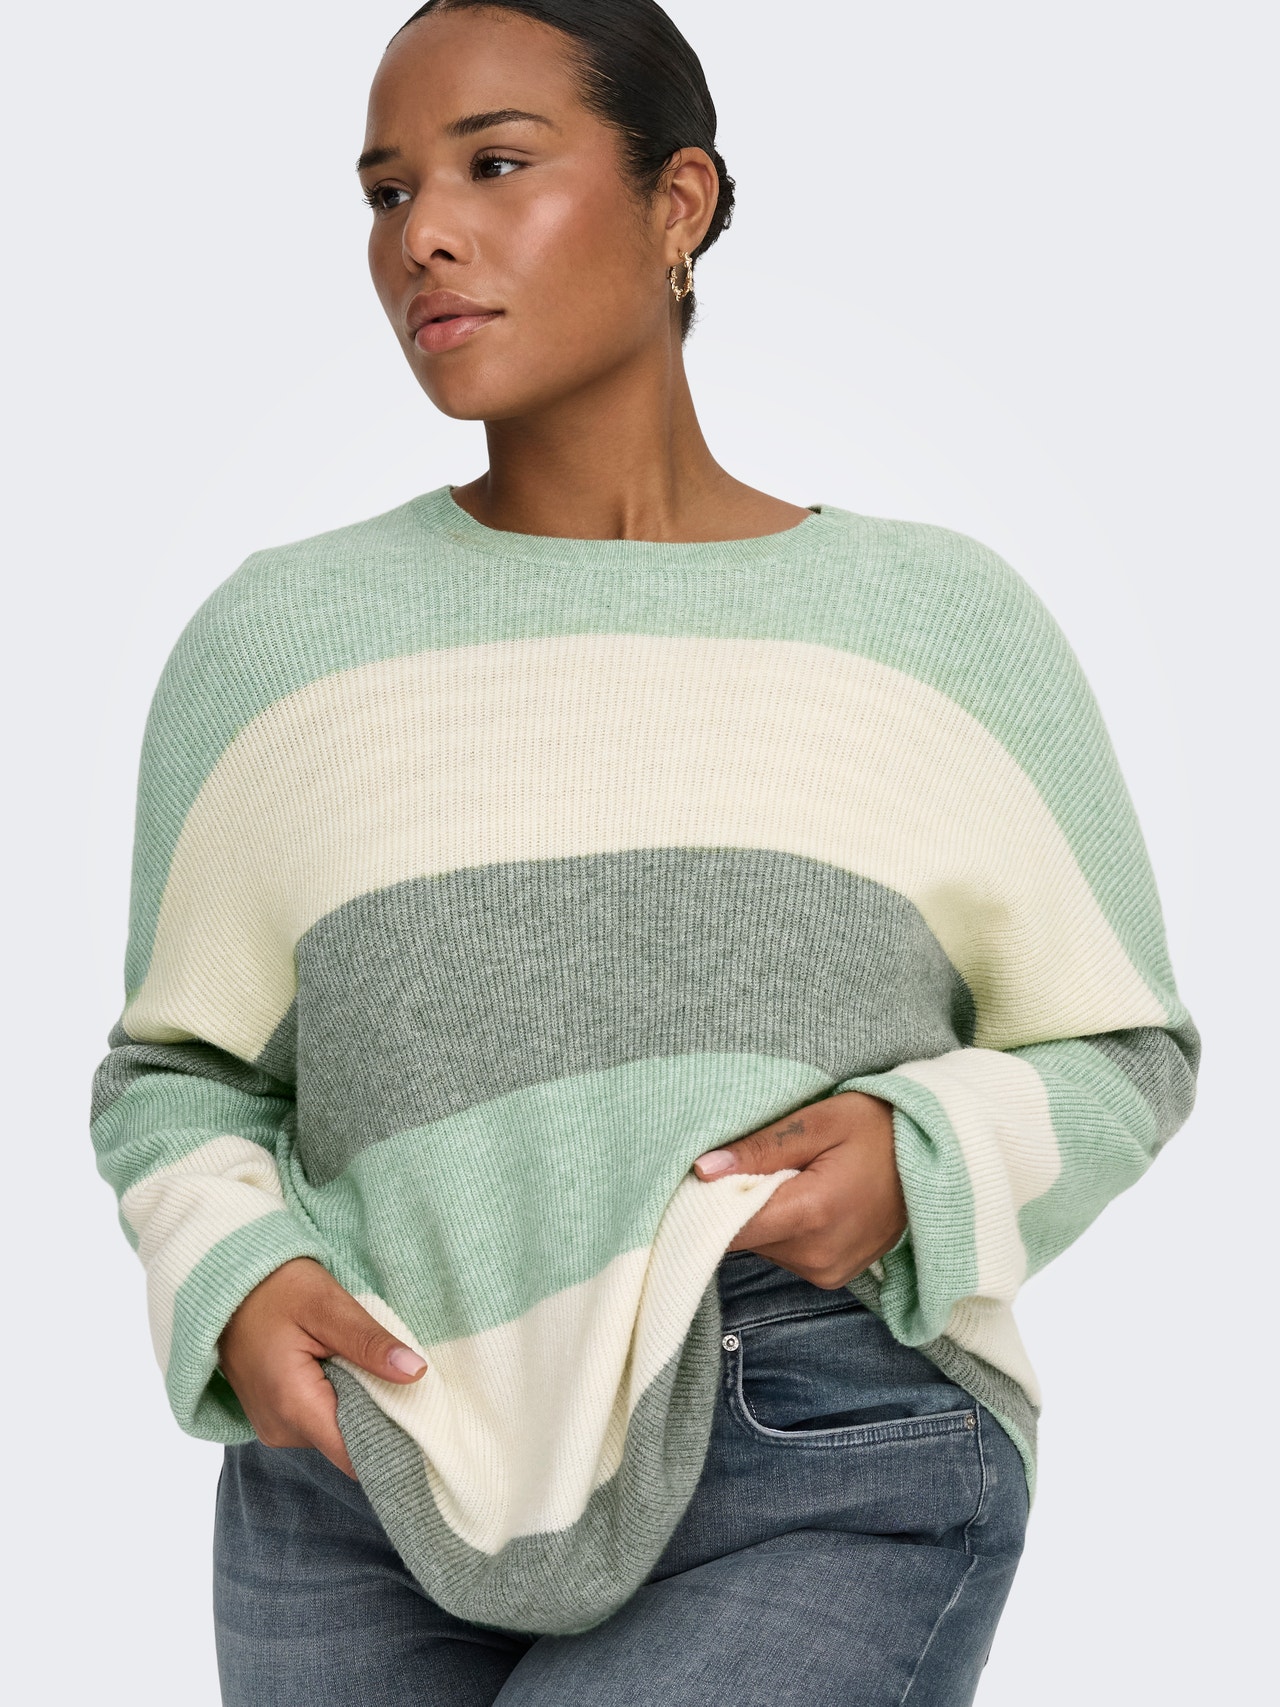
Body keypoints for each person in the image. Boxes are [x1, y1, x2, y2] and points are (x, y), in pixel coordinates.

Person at [89, 2, 1199, 1702]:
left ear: (678, 202)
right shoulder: (278, 649)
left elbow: (1122, 1045)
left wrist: (921, 1159)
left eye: (495, 165)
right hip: (361, 1461)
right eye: (387, 192)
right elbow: (180, 1076)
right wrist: (239, 1275)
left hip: (806, 1428)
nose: (423, 235)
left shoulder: (930, 626)